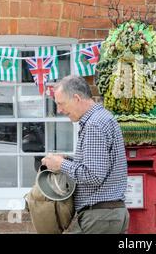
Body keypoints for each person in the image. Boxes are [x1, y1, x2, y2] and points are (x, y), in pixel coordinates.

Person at [41, 75, 129, 234]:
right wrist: (67, 160)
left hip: (100, 217)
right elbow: (98, 165)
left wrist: (61, 165)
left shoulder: (94, 125)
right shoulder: (102, 118)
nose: (60, 110)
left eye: (61, 104)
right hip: (108, 215)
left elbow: (94, 175)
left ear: (76, 98)